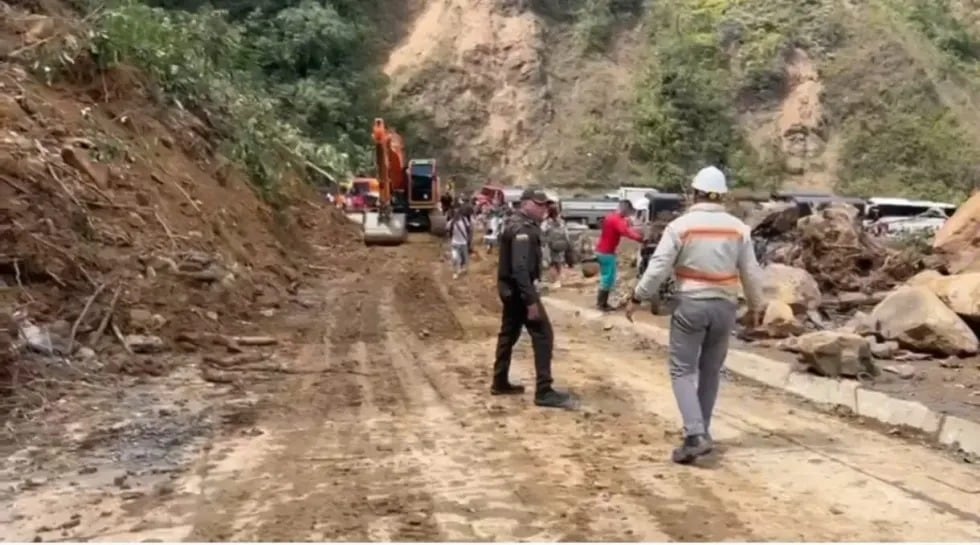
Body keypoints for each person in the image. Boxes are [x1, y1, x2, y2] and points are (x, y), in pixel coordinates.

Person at [625, 166, 765, 465]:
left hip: (690, 303)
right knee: (711, 371)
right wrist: (757, 307)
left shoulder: (681, 226)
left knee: (682, 371)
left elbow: (659, 266)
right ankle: (703, 432)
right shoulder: (738, 228)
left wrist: (638, 296)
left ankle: (694, 435)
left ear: (695, 193)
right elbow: (751, 272)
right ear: (722, 196)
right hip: (725, 306)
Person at [493, 188, 575, 409]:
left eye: (546, 205)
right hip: (521, 291)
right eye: (540, 205)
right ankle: (544, 390)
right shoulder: (522, 230)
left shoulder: (516, 223)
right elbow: (520, 268)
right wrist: (530, 301)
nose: (544, 209)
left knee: (508, 335)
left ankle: (499, 381)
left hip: (511, 290)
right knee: (543, 335)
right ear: (526, 204)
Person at [595, 200, 643, 311]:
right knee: (608, 278)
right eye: (629, 212)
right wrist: (641, 239)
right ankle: (601, 304)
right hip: (606, 252)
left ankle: (602, 303)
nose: (629, 215)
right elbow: (626, 231)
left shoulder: (611, 217)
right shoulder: (617, 220)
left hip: (603, 250)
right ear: (625, 208)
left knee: (607, 277)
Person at [542, 205, 571, 287]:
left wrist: (543, 242)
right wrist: (567, 243)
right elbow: (566, 233)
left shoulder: (547, 222)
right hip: (561, 244)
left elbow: (542, 231)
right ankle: (559, 279)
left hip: (551, 245)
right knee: (559, 262)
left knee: (552, 262)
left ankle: (554, 280)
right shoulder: (561, 221)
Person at [447, 207, 473, 279]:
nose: (457, 215)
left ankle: (461, 267)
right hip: (455, 243)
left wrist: (469, 241)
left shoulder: (465, 221)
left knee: (464, 258)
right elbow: (447, 230)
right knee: (455, 258)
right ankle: (455, 272)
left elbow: (469, 230)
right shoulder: (451, 222)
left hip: (464, 243)